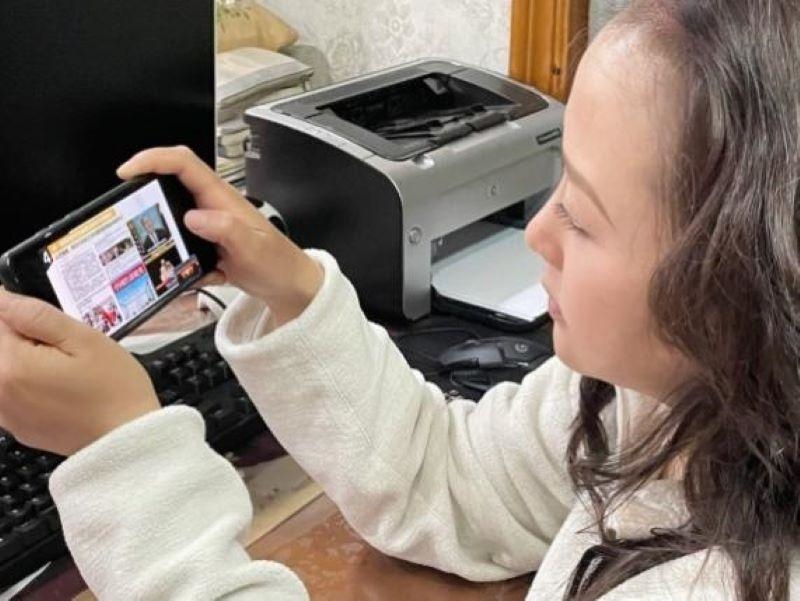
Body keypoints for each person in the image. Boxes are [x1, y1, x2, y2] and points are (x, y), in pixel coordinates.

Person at [0, 1, 798, 599]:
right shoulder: (662, 394)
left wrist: (122, 453)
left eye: (583, 218)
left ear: (741, 287)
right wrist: (288, 290)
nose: (537, 231)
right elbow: (453, 485)